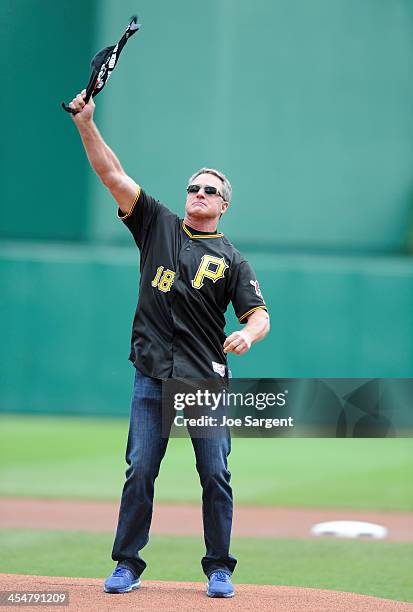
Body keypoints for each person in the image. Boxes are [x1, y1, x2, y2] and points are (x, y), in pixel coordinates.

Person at [69, 89, 270, 599]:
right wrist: (85, 124)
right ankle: (127, 565)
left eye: (209, 190)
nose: (198, 193)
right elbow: (112, 174)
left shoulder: (233, 260)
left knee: (214, 472)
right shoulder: (156, 223)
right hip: (152, 371)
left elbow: (260, 315)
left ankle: (219, 568)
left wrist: (247, 333)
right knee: (140, 468)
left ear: (224, 205)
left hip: (203, 377)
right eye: (193, 187)